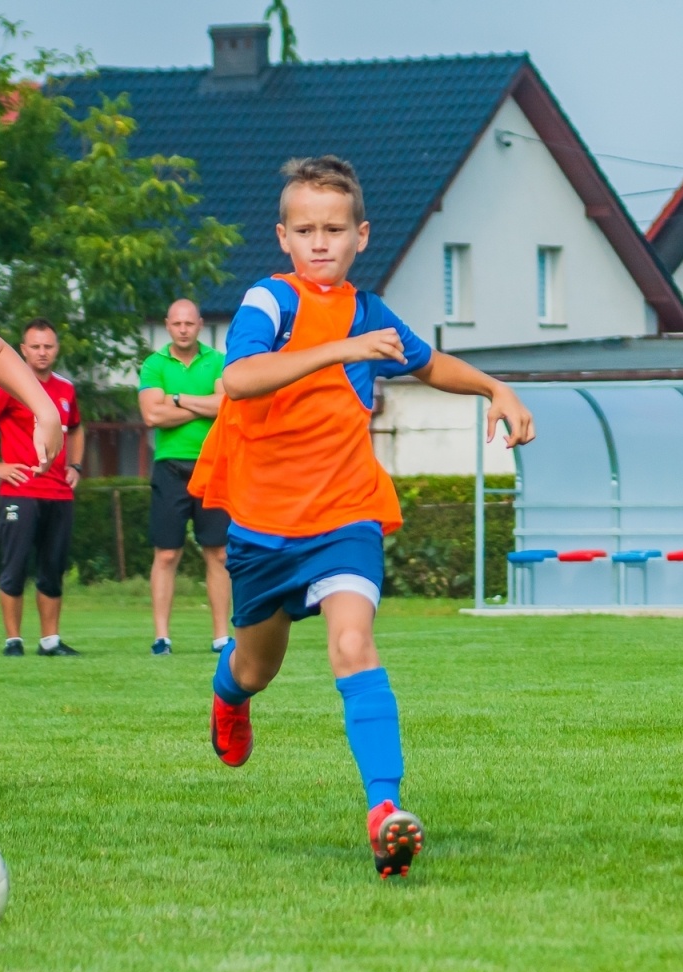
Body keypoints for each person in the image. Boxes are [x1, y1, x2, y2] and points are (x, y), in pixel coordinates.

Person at [195, 156, 535, 879]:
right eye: (306, 229)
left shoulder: (367, 310)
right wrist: (340, 351)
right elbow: (239, 379)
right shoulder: (269, 301)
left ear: (361, 236)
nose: (321, 242)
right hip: (261, 526)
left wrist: (493, 389)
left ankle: (385, 813)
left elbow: (426, 362)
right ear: (283, 237)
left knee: (353, 643)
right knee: (257, 666)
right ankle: (229, 694)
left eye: (335, 229)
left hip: (345, 513)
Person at [0, 319, 83, 657]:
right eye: (35, 346)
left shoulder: (66, 389)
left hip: (57, 492)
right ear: (23, 349)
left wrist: (75, 466)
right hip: (20, 491)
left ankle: (50, 640)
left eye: (48, 346)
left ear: (56, 349)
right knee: (15, 566)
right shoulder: (4, 387)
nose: (42, 352)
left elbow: (77, 429)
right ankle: (14, 640)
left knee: (53, 567)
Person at [138, 298, 231, 656]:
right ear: (167, 325)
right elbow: (151, 416)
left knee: (219, 553)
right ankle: (162, 636)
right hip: (169, 467)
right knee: (166, 554)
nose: (183, 329)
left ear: (200, 324)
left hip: (212, 465)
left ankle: (221, 635)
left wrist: (175, 400)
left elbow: (226, 407)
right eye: (176, 324)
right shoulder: (153, 364)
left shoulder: (218, 361)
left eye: (189, 324)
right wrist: (200, 403)